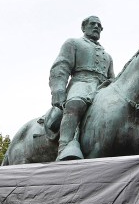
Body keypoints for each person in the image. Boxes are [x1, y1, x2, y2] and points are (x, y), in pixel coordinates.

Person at [48, 15, 115, 160]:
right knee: (75, 103)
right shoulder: (73, 43)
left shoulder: (107, 56)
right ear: (84, 27)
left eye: (99, 25)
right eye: (93, 24)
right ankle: (64, 148)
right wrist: (58, 90)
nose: (96, 27)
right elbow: (61, 66)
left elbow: (112, 78)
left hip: (103, 87)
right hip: (81, 82)